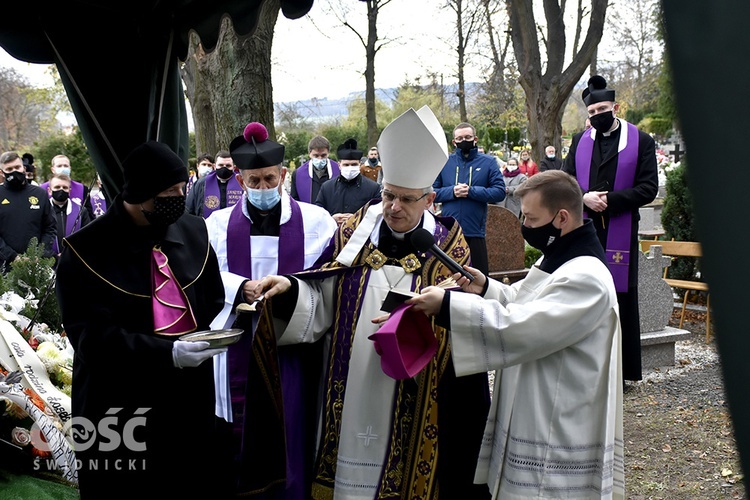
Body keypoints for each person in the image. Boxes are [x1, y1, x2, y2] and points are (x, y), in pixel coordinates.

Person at [256, 106, 492, 499]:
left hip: (416, 386)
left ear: (430, 199)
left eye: (406, 199)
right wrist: (291, 289)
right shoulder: (352, 233)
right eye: (388, 195)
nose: (393, 207)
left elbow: (462, 322)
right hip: (350, 380)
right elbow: (321, 295)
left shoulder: (450, 246)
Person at [409, 170, 624, 499]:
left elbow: (522, 327)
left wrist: (448, 306)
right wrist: (484, 288)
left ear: (561, 217)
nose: (525, 225)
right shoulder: (560, 257)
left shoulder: (587, 277)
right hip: (536, 400)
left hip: (558, 420)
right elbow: (524, 303)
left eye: (531, 218)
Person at [55, 140, 228, 499]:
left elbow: (211, 297)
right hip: (121, 404)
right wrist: (167, 353)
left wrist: (200, 341)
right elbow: (91, 338)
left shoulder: (194, 230)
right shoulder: (83, 252)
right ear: (139, 192)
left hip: (188, 400)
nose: (179, 198)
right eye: (168, 192)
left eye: (183, 189)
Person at [205, 121, 337, 497]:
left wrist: (291, 289)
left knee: (294, 419)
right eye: (253, 182)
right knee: (244, 430)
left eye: (269, 179)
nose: (263, 189)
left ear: (283, 174)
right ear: (241, 180)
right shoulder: (216, 225)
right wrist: (238, 287)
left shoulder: (315, 221)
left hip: (292, 339)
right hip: (239, 340)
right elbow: (204, 276)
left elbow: (328, 278)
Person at [563, 75, 658, 383]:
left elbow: (648, 188)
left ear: (615, 107)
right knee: (586, 292)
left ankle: (622, 371)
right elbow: (566, 180)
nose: (597, 116)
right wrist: (584, 197)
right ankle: (587, 367)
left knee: (621, 298)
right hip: (586, 231)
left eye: (602, 109)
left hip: (620, 230)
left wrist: (611, 200)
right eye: (591, 112)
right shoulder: (580, 142)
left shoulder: (640, 140)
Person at [433, 121, 506, 275]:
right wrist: (452, 192)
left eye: (467, 137)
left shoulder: (488, 162)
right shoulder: (444, 162)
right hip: (449, 232)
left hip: (475, 232)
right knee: (448, 279)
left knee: (478, 279)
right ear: (454, 142)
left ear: (475, 139)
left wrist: (471, 191)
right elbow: (431, 193)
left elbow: (499, 192)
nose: (463, 141)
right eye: (459, 139)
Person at [0, 151, 57, 271]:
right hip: (4, 267)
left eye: (17, 167)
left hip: (36, 265)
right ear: (2, 172)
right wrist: (13, 257)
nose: (14, 171)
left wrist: (39, 253)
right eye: (9, 169)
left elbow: (50, 227)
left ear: (24, 168)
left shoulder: (40, 194)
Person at [315, 138, 381, 226]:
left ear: (360, 165)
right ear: (339, 165)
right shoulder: (327, 187)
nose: (350, 168)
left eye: (354, 164)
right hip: (333, 235)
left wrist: (358, 219)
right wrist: (331, 218)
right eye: (346, 165)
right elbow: (318, 214)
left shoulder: (373, 188)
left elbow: (378, 215)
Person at [48, 173, 92, 261]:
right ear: (49, 190)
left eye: (65, 187)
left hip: (75, 261)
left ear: (70, 190)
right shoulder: (43, 211)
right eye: (57, 187)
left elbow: (87, 237)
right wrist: (53, 256)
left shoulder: (81, 211)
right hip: (48, 264)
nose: (61, 190)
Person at [186, 150, 243, 218]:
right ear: (215, 166)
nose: (224, 168)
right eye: (221, 165)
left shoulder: (242, 183)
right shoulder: (201, 184)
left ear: (233, 168)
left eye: (228, 166)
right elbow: (189, 209)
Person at [290, 135, 340, 203]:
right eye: (316, 156)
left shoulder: (339, 170)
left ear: (328, 153)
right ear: (309, 154)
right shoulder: (298, 174)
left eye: (323, 155)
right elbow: (294, 201)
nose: (320, 159)